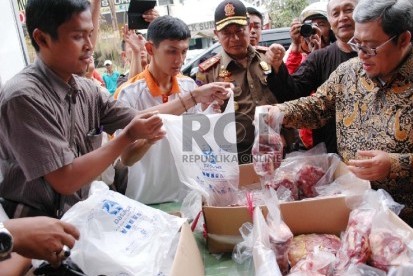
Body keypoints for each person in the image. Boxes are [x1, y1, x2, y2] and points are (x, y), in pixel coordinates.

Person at [265, 0, 413, 252]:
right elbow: (318, 107)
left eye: (370, 47)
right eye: (357, 44)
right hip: (354, 216)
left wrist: (395, 165)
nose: (360, 55)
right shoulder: (349, 72)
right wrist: (278, 112)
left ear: (403, 39)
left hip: (411, 228)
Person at [0, 0, 166, 219]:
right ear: (42, 38)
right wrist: (127, 137)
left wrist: (192, 99)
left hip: (82, 216)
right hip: (37, 228)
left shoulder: (86, 89)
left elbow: (139, 118)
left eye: (90, 34)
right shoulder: (24, 98)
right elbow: (66, 180)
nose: (89, 45)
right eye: (78, 36)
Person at [115, 15, 230, 204]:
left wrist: (209, 116)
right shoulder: (129, 93)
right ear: (150, 49)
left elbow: (194, 146)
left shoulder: (189, 87)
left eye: (184, 52)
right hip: (145, 199)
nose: (180, 60)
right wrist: (147, 140)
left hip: (186, 196)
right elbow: (126, 158)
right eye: (172, 52)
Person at [195, 0, 292, 164]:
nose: (235, 38)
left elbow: (289, 97)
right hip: (237, 157)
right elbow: (204, 121)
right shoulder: (208, 72)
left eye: (240, 30)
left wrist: (287, 135)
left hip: (279, 148)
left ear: (249, 28)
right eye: (226, 33)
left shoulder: (269, 58)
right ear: (216, 34)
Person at [267, 0, 358, 153]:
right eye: (336, 13)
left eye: (348, 10)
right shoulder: (319, 58)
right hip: (331, 154)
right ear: (331, 20)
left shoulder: (379, 53)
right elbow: (292, 93)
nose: (342, 17)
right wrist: (277, 67)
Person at [285, 2, 335, 74]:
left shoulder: (337, 53)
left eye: (321, 24)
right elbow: (289, 80)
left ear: (330, 29)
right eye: (309, 25)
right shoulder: (298, 55)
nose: (314, 28)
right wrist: (296, 46)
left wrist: (317, 54)